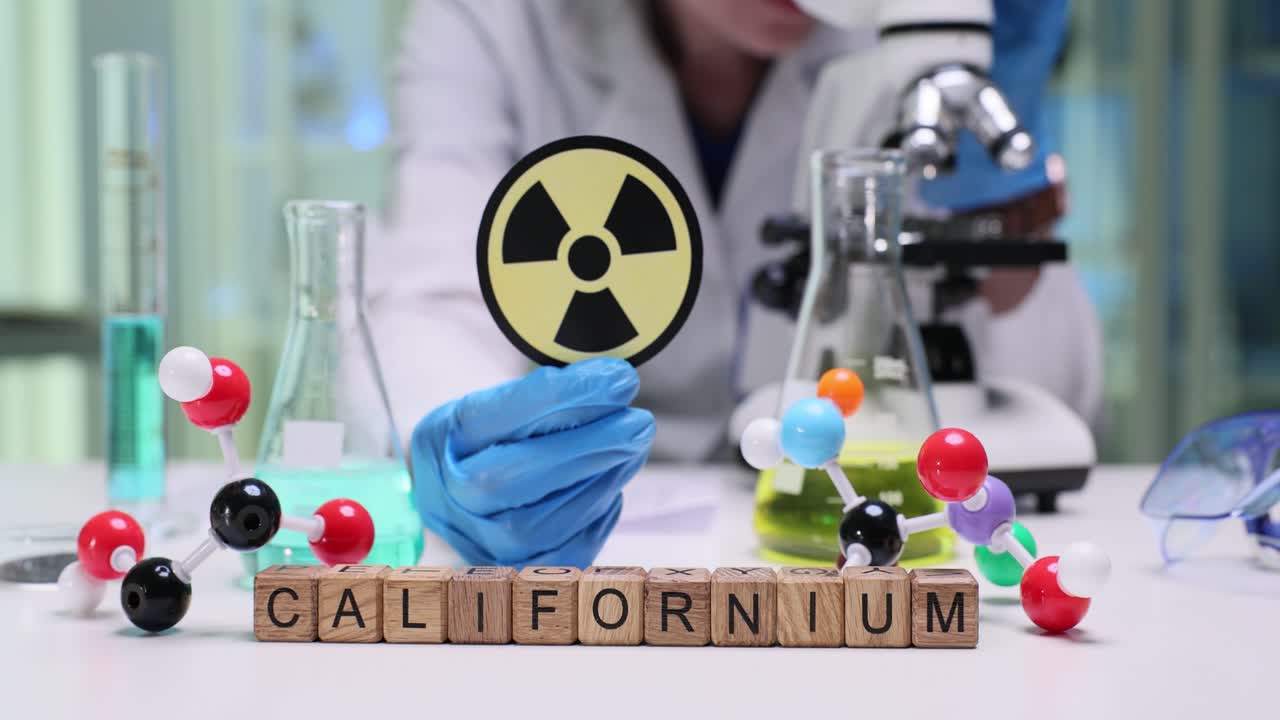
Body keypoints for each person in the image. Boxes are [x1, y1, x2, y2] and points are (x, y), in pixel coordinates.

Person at [371, 0, 1098, 567]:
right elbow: (436, 302)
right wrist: (474, 460)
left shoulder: (899, 39)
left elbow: (1045, 385)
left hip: (840, 531)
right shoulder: (502, 24)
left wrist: (1002, 197)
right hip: (590, 527)